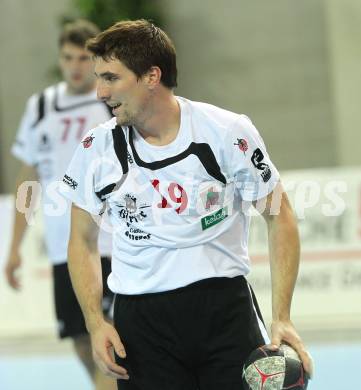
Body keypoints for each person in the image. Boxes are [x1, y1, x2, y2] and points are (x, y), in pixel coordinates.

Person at [63, 19, 313, 390]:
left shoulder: (227, 133)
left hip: (223, 312)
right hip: (141, 324)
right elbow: (82, 241)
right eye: (99, 78)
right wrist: (95, 322)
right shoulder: (96, 148)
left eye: (111, 78)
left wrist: (283, 317)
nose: (99, 92)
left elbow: (280, 216)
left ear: (151, 76)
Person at [5, 20, 116, 390]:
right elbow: (27, 179)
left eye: (84, 57)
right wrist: (14, 247)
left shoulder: (112, 101)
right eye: (68, 57)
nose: (76, 66)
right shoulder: (40, 107)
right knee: (81, 341)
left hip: (112, 241)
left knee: (113, 341)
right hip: (61, 245)